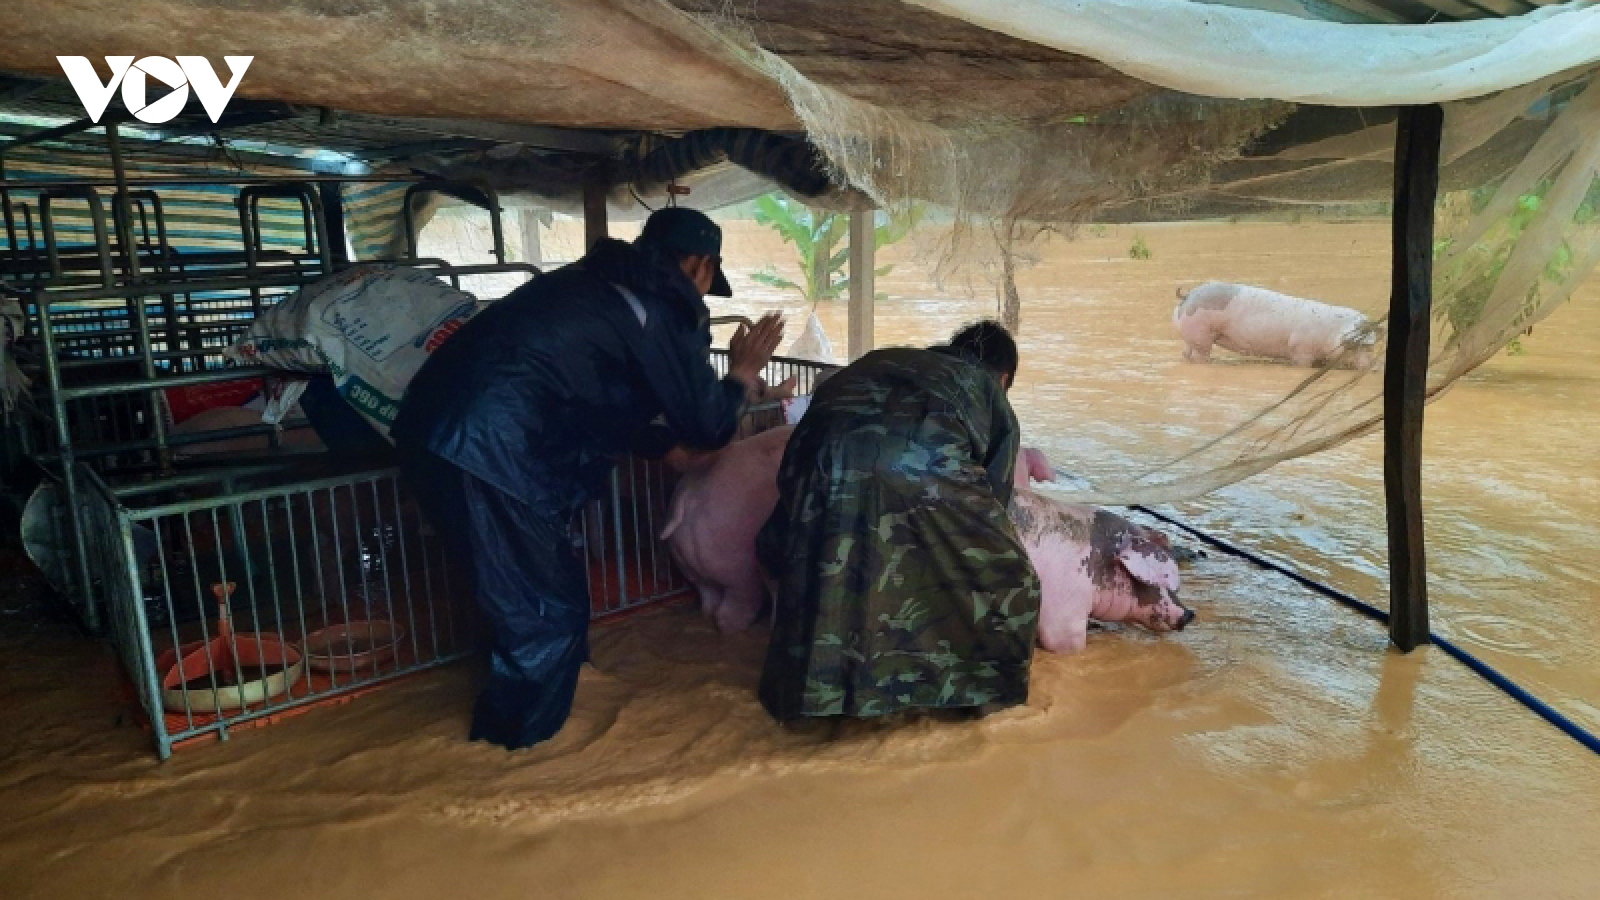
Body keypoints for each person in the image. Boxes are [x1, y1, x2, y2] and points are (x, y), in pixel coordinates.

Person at [391, 206, 784, 750]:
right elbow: (710, 424)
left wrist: (663, 446)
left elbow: (594, 393)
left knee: (534, 595)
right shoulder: (660, 306)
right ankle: (519, 754)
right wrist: (741, 373)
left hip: (441, 433)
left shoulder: (594, 285)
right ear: (699, 264)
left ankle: (542, 724)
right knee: (545, 614)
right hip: (490, 450)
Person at [756, 321, 1040, 722]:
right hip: (917, 468)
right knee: (1016, 582)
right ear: (1004, 375)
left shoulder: (883, 359)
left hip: (817, 458)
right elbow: (995, 501)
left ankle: (816, 692)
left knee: (829, 555)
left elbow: (799, 453)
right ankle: (974, 697)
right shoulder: (986, 387)